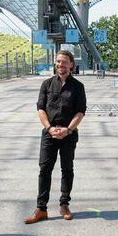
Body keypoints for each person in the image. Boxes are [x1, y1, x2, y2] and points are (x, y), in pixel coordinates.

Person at [24, 50, 86, 224]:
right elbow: (40, 108)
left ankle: (64, 204)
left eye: (64, 62)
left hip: (69, 134)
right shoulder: (47, 84)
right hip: (49, 133)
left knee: (67, 169)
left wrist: (68, 129)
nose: (60, 65)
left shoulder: (78, 87)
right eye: (58, 61)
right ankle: (41, 208)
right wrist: (50, 128)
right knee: (45, 169)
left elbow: (81, 111)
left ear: (71, 65)